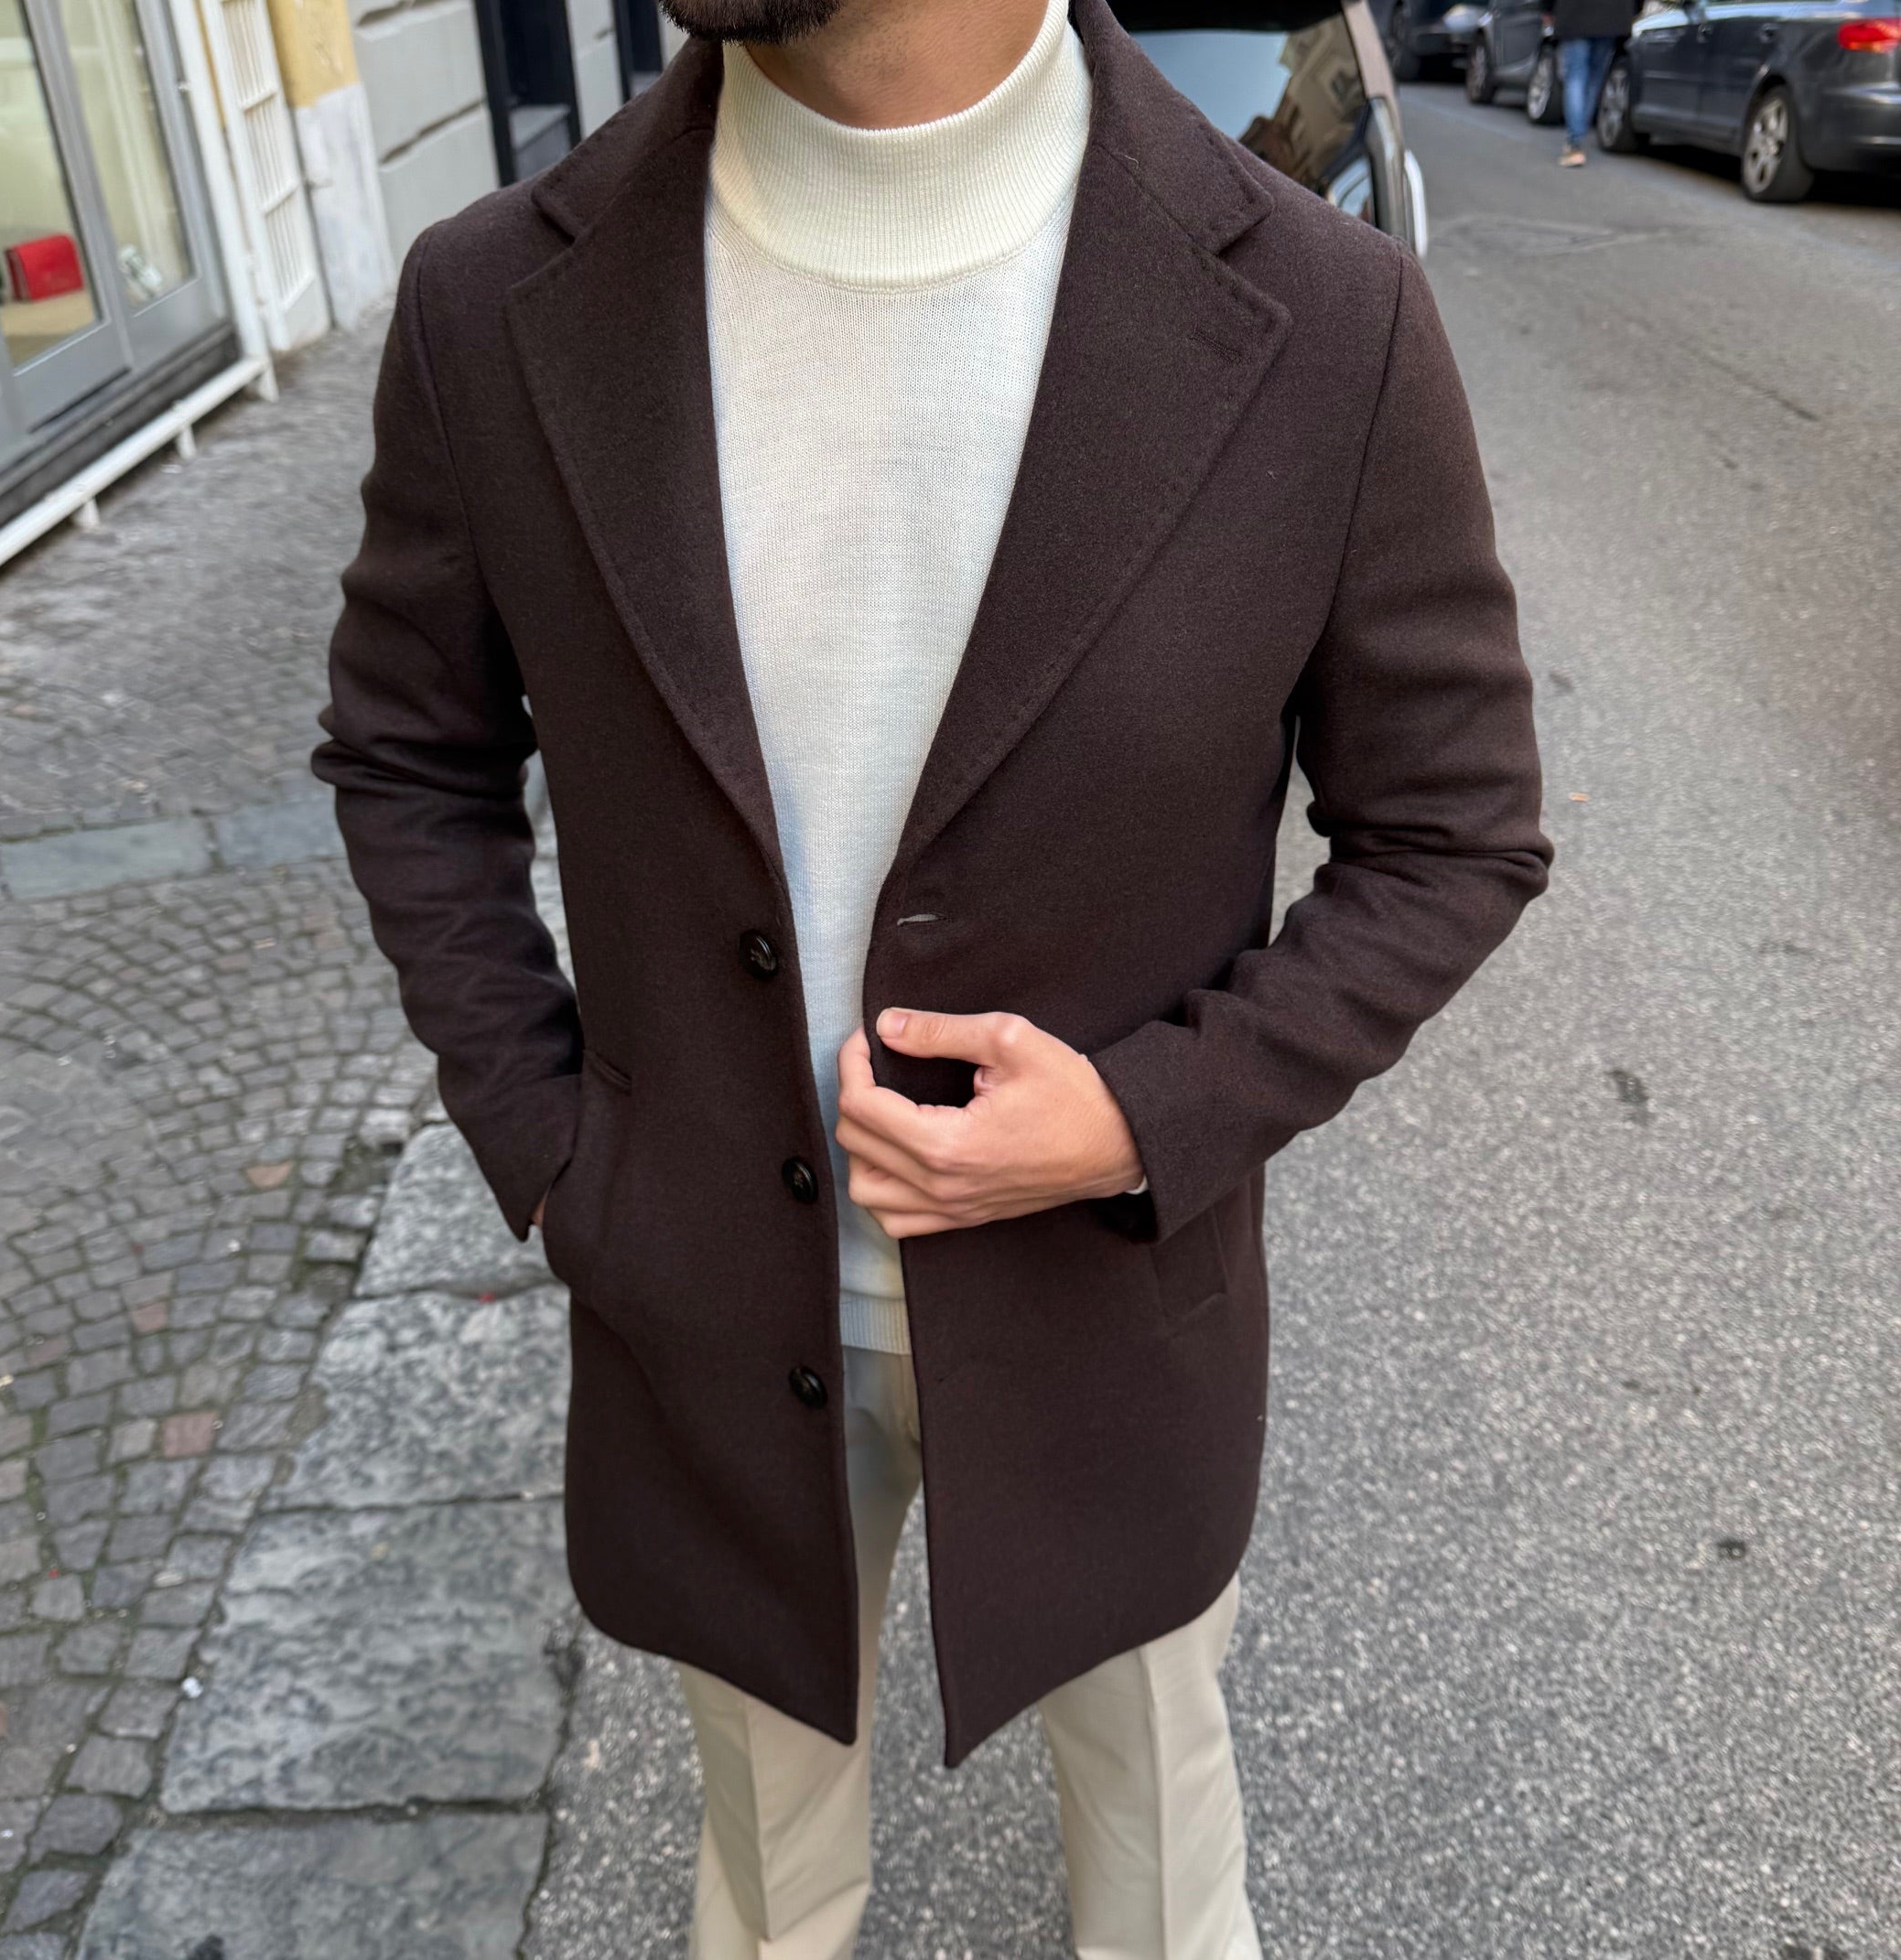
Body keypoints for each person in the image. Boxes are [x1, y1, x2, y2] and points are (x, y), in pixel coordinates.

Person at [314, 0, 1551, 1951]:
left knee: (1163, 1886)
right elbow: (408, 756)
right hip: (701, 1317)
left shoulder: (1328, 319)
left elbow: (1455, 832)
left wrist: (1146, 1115)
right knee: (765, 1901)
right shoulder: (493, 304)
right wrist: (551, 1152)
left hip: (1109, 1318)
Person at [1547, 0, 1639, 165]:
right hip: (1611, 15)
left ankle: (1575, 142)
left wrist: (1547, 8)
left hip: (1574, 13)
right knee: (1594, 79)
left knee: (1575, 76)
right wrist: (1633, 10)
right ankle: (1578, 135)